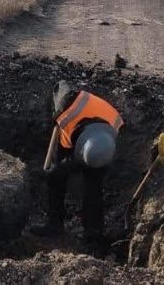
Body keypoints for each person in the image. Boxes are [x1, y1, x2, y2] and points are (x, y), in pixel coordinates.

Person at [36, 80, 124, 243]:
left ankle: (93, 233)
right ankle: (55, 224)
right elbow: (61, 85)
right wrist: (59, 168)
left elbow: (100, 154)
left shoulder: (113, 125)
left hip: (99, 144)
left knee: (94, 187)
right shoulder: (66, 118)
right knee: (56, 176)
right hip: (75, 131)